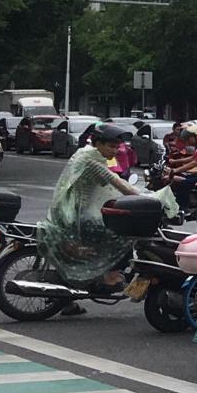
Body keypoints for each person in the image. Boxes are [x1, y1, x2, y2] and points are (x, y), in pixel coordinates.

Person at [40, 122, 143, 303]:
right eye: (111, 146)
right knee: (122, 235)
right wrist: (146, 198)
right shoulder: (92, 161)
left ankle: (73, 297)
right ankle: (110, 277)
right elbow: (119, 184)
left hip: (70, 212)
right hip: (77, 216)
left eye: (117, 147)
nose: (115, 151)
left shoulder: (84, 153)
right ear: (98, 143)